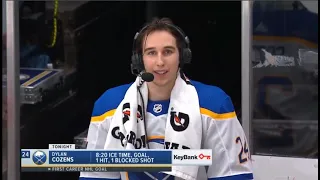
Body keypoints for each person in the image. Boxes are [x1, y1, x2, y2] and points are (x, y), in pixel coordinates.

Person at [79, 17, 253, 180]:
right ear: (139, 60)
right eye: (151, 53)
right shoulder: (108, 106)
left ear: (182, 56)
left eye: (168, 51)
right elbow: (96, 176)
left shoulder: (214, 104)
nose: (160, 62)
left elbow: (234, 175)